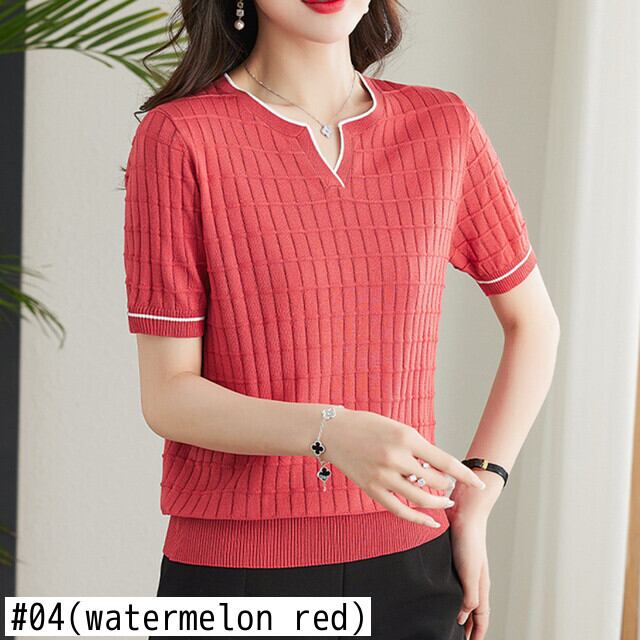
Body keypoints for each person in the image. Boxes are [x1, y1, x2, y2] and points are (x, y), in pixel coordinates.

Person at [122, 1, 560, 638]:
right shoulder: (181, 137)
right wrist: (333, 432)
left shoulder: (443, 126)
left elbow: (534, 326)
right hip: (237, 576)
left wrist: (478, 491)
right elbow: (168, 396)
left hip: (414, 565)